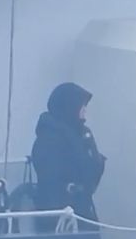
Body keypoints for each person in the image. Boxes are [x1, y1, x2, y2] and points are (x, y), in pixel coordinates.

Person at [31, 82, 106, 230]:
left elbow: (91, 167)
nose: (85, 110)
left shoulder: (83, 134)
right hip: (59, 216)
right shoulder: (49, 137)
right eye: (81, 105)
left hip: (84, 209)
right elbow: (51, 176)